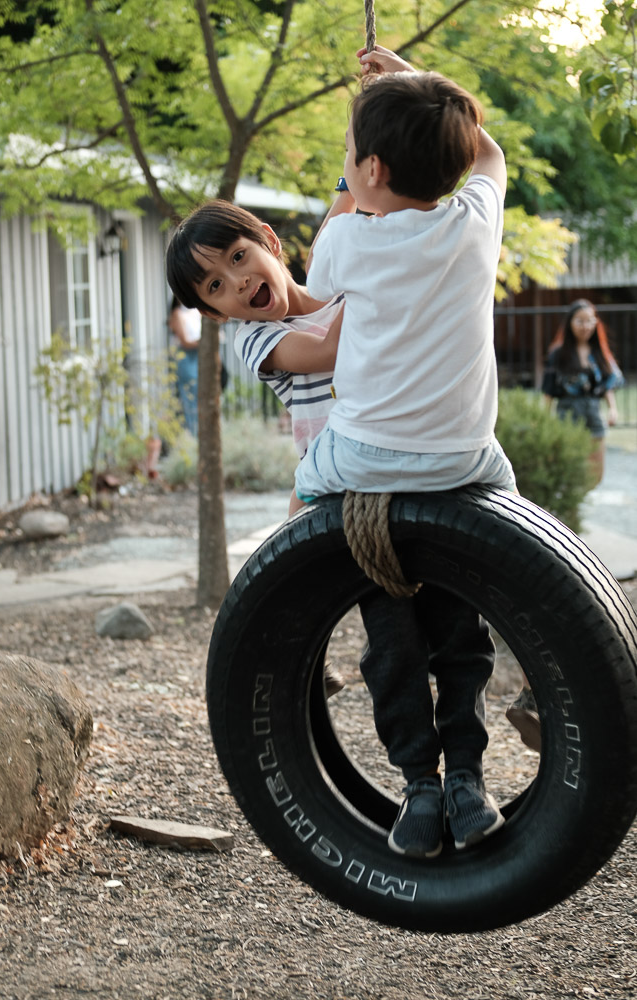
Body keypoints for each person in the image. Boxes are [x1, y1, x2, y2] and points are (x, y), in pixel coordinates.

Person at [165, 46, 512, 858]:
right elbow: (324, 342)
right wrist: (405, 280)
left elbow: (352, 233)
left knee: (458, 637)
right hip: (356, 506)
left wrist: (388, 119)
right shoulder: (256, 342)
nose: (235, 283)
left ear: (269, 241)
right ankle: (418, 784)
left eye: (238, 259)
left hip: (402, 482)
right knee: (392, 651)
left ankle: (467, 779)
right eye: (214, 287)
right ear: (213, 316)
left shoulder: (345, 250)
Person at [542, 299, 623, 486]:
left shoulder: (600, 352)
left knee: (596, 473)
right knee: (569, 468)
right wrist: (544, 420)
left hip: (594, 415)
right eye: (580, 321)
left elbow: (607, 385)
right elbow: (549, 390)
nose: (585, 326)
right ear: (570, 323)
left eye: (589, 321)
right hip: (567, 416)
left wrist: (613, 409)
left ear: (595, 323)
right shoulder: (558, 354)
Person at [168, 296, 201, 435]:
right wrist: (204, 342)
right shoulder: (177, 314)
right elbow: (185, 342)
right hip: (187, 358)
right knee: (190, 396)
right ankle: (192, 433)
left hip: (199, 357)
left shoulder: (197, 312)